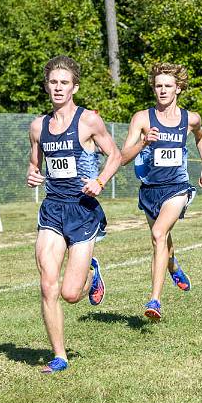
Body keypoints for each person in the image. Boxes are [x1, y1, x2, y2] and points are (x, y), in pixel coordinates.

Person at [26, 55, 121, 373]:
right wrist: (32, 175)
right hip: (52, 210)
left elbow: (115, 154)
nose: (58, 87)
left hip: (83, 212)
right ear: (47, 86)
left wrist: (100, 180)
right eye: (53, 82)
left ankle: (93, 275)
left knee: (69, 293)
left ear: (74, 87)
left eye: (64, 82)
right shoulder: (38, 127)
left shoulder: (88, 121)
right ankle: (59, 356)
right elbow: (34, 163)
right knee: (47, 284)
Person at [120, 62, 202, 321]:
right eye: (158, 86)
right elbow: (123, 157)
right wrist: (144, 141)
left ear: (178, 88)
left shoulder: (190, 119)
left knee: (159, 234)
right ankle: (174, 265)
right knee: (162, 240)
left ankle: (155, 300)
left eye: (168, 86)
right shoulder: (142, 118)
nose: (162, 91)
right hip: (150, 190)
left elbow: (201, 137)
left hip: (177, 187)